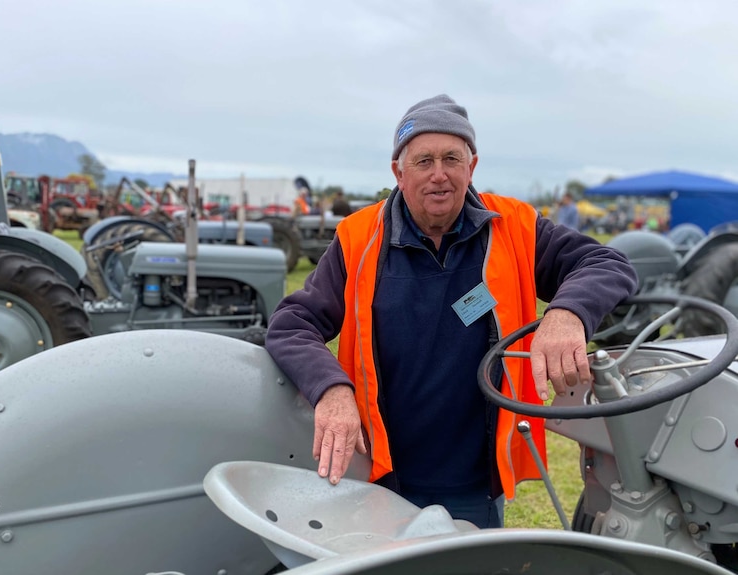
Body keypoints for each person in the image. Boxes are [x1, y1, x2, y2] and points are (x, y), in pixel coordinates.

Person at [265, 94, 637, 529]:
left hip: (476, 483)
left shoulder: (512, 226)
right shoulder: (358, 238)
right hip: (383, 476)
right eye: (423, 161)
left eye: (451, 158)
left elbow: (608, 264)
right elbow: (292, 324)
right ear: (398, 173)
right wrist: (332, 389)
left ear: (471, 167)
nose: (438, 175)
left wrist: (567, 313)